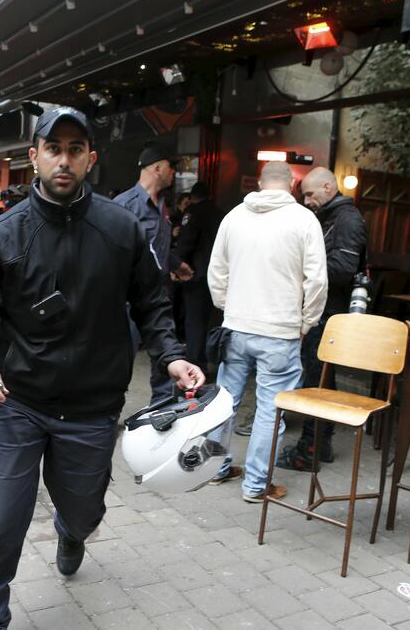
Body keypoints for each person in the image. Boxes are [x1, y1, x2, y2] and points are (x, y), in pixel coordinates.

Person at [0, 107, 204, 630]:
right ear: (33, 157)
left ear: (91, 159)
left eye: (75, 149)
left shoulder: (121, 230)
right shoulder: (2, 235)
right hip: (18, 403)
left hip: (92, 408)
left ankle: (70, 530)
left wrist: (171, 356)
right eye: (53, 149)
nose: (64, 159)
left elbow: (152, 303)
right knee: (2, 517)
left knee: (85, 512)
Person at [205, 161, 327, 501]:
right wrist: (307, 321)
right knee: (270, 410)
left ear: (260, 182)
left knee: (224, 403)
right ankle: (256, 485)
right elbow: (317, 280)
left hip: (236, 326)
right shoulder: (304, 220)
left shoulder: (233, 217)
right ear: (291, 184)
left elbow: (216, 271)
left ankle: (215, 468)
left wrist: (228, 307)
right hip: (279, 330)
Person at [277, 166, 367, 471]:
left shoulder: (348, 219)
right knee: (319, 379)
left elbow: (343, 267)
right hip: (323, 312)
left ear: (329, 188)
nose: (306, 201)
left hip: (330, 315)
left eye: (310, 194)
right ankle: (318, 445)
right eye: (303, 196)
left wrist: (303, 269)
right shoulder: (328, 216)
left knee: (318, 379)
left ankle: (311, 449)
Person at [114, 146, 193, 404]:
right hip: (128, 302)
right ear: (157, 168)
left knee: (165, 358)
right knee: (119, 361)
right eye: (171, 167)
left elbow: (155, 246)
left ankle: (160, 412)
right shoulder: (125, 206)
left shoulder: (162, 206)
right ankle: (106, 412)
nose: (174, 173)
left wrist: (175, 264)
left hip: (159, 298)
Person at [174, 181, 223, 370]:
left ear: (193, 196)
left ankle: (195, 362)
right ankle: (208, 358)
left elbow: (187, 241)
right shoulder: (220, 213)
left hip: (195, 274)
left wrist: (177, 265)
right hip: (216, 274)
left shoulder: (192, 213)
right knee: (209, 319)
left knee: (194, 320)